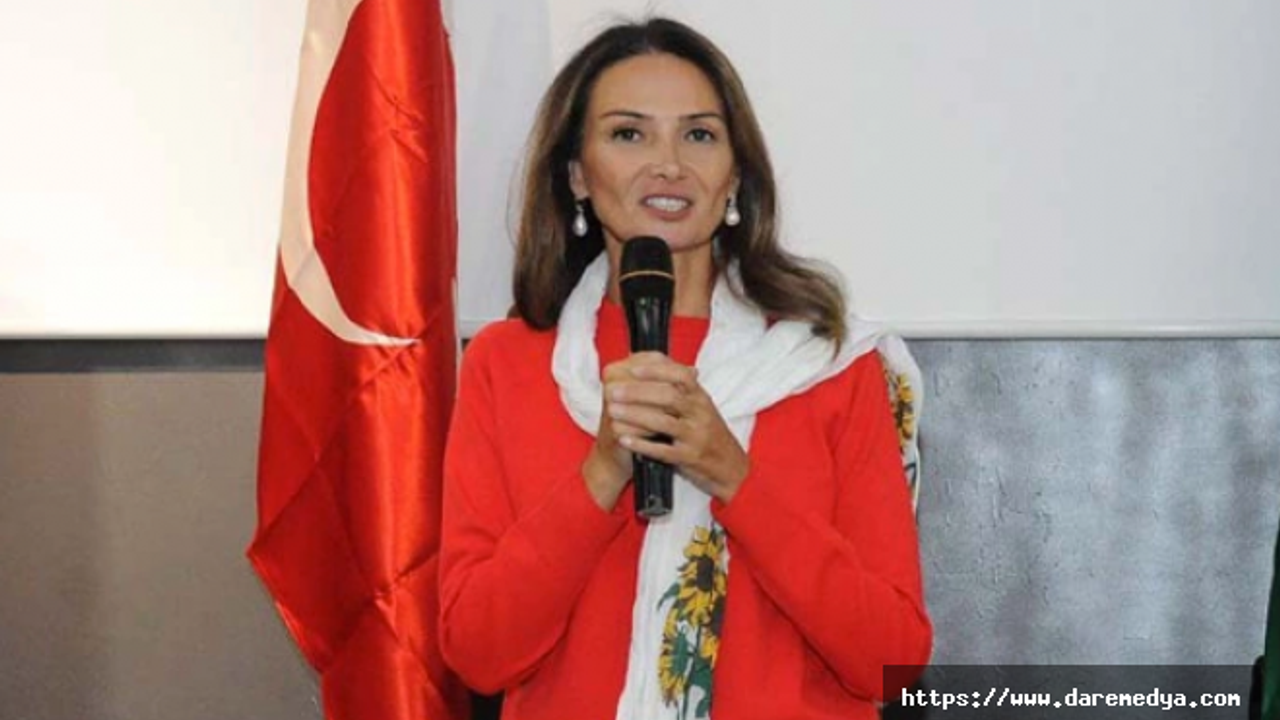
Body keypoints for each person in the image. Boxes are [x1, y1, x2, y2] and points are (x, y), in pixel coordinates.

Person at [439, 17, 930, 720]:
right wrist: (603, 471)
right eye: (628, 134)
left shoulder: (827, 363)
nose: (668, 165)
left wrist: (733, 476)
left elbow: (893, 662)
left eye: (698, 135)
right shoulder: (509, 363)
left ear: (735, 176)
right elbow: (478, 652)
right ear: (576, 175)